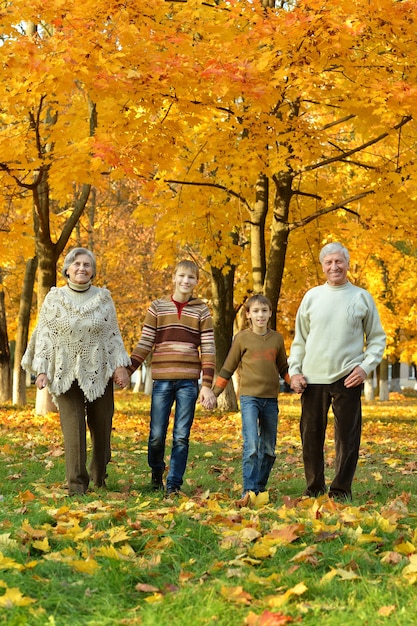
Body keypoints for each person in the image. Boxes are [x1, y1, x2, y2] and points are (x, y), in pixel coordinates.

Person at [22, 247, 131, 496]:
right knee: (73, 431)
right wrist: (41, 370)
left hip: (99, 373)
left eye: (87, 265)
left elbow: (112, 336)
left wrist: (120, 367)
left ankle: (98, 474)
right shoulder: (54, 298)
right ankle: (76, 486)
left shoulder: (103, 299)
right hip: (64, 373)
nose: (82, 268)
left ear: (92, 271)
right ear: (67, 269)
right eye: (77, 264)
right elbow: (45, 336)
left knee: (102, 428)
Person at [288, 242, 386, 501]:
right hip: (312, 378)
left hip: (348, 378)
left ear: (347, 263)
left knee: (347, 438)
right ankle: (314, 488)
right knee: (311, 437)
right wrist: (294, 371)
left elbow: (377, 339)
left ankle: (340, 490)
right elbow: (300, 339)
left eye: (339, 261)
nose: (334, 266)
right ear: (322, 267)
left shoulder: (362, 297)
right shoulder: (311, 297)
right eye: (329, 262)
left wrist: (365, 368)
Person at [127, 259, 216, 496]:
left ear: (197, 281)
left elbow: (208, 348)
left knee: (181, 436)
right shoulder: (157, 307)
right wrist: (128, 371)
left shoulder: (202, 310)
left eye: (191, 278)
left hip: (188, 382)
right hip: (162, 380)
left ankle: (173, 485)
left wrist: (206, 385)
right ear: (174, 278)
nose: (186, 281)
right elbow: (145, 342)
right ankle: (157, 472)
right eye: (182, 276)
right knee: (157, 434)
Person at [211, 295, 290, 500]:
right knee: (252, 445)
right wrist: (214, 393)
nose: (260, 315)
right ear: (248, 315)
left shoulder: (277, 339)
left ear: (270, 313)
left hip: (270, 400)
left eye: (264, 310)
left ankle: (260, 487)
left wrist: (294, 382)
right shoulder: (242, 338)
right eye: (255, 311)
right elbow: (228, 368)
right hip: (249, 399)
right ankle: (249, 490)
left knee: (269, 450)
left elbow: (283, 368)